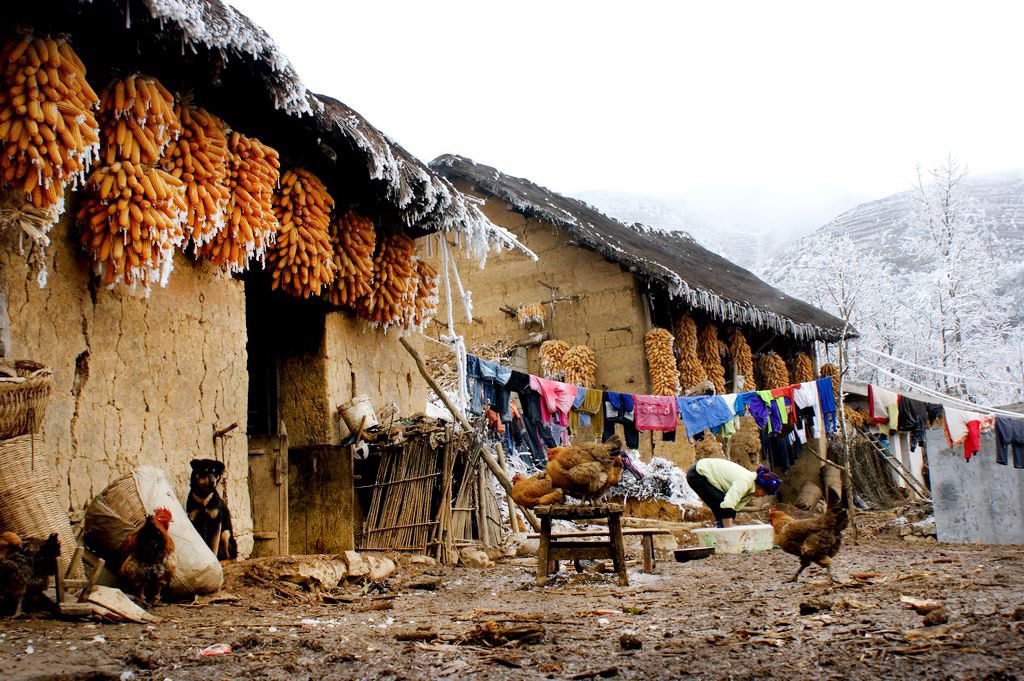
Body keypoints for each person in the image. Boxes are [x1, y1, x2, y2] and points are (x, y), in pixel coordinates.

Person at [686, 458, 782, 528]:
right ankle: (725, 534)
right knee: (721, 503)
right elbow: (728, 505)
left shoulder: (751, 489)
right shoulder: (744, 482)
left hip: (704, 473)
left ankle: (722, 530)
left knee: (724, 507)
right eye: (764, 493)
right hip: (698, 473)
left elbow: (734, 508)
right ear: (760, 486)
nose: (762, 496)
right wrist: (730, 532)